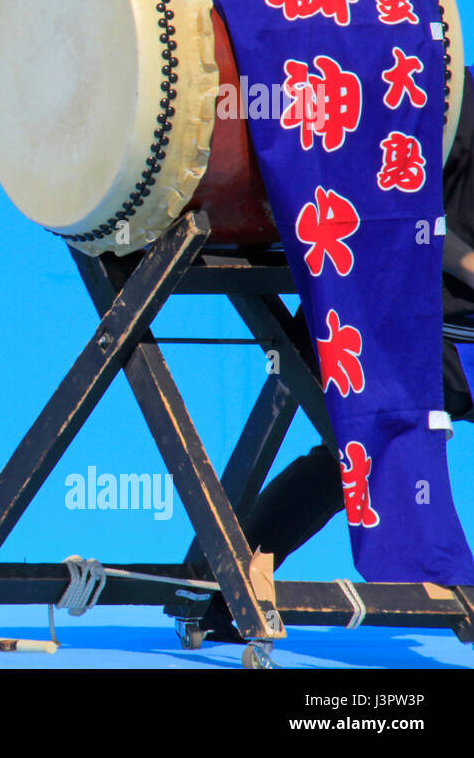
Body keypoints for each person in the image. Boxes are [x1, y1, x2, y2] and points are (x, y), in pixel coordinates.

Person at [199, 67, 474, 642]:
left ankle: (236, 577)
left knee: (352, 456)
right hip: (399, 322)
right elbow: (381, 200)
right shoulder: (443, 102)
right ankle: (240, 574)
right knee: (355, 454)